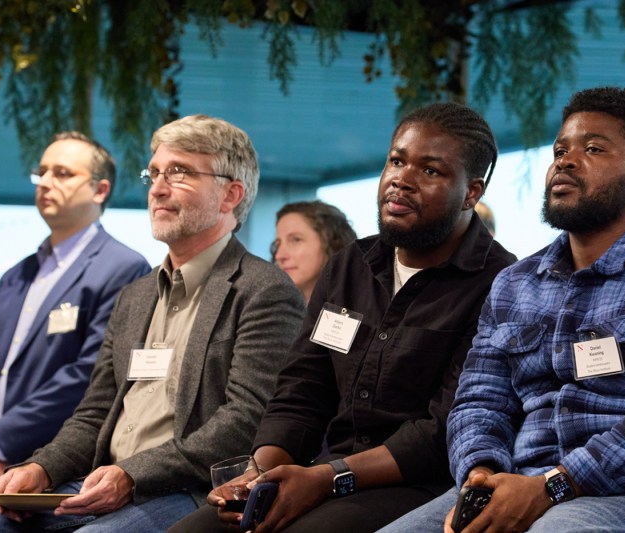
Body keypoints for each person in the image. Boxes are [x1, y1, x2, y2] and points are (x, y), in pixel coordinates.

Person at [378, 87, 625, 533]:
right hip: (520, 484)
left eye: (593, 149)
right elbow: (479, 401)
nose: (565, 161)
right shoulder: (515, 284)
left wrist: (554, 486)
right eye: (560, 149)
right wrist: (480, 476)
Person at [169, 101, 518, 533]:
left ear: (472, 192)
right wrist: (261, 471)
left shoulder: (500, 282)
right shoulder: (350, 264)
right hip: (321, 472)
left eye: (430, 171)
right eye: (396, 161)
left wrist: (325, 480)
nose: (401, 181)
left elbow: (443, 429)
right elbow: (302, 387)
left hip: (417, 483)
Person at [0, 114, 306, 531]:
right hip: (99, 484)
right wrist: (41, 468)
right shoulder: (137, 295)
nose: (158, 188)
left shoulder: (263, 289)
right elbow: (94, 413)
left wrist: (133, 474)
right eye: (156, 173)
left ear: (230, 194)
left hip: (189, 491)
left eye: (179, 173)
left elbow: (245, 420)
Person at [0, 132, 151, 510]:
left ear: (100, 190)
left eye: (63, 173)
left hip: (51, 463)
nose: (46, 182)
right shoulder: (15, 275)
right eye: (43, 172)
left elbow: (87, 375)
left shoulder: (122, 268)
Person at [272, 200, 357, 303]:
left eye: (296, 240)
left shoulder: (365, 305)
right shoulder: (276, 308)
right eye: (278, 244)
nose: (279, 256)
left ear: (332, 242)